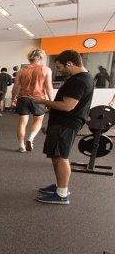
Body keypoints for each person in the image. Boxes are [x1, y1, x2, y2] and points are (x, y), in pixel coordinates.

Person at [32, 50, 94, 205]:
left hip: (66, 124)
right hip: (63, 122)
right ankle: (60, 185)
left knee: (61, 158)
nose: (59, 70)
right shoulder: (83, 77)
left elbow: (67, 106)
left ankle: (62, 194)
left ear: (69, 64)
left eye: (60, 67)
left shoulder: (78, 81)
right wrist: (51, 109)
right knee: (56, 155)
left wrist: (43, 102)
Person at [11, 49, 53, 152]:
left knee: (22, 123)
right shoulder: (46, 70)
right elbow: (49, 87)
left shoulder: (21, 71)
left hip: (23, 98)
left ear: (30, 58)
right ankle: (30, 138)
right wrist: (52, 102)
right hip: (38, 99)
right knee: (38, 120)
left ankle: (21, 145)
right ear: (41, 58)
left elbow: (15, 88)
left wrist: (13, 99)